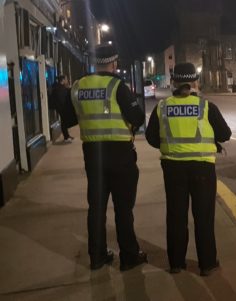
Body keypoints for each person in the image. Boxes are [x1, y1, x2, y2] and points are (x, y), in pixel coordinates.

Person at [145, 62, 231, 276]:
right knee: (203, 216)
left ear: (173, 82)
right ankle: (207, 264)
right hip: (202, 168)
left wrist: (170, 147)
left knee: (175, 215)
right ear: (195, 82)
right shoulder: (206, 106)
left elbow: (151, 137)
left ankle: (176, 263)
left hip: (173, 167)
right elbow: (225, 134)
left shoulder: (163, 107)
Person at [68, 44, 147, 271]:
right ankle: (129, 256)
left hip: (92, 155)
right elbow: (138, 117)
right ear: (114, 64)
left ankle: (97, 256)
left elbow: (70, 116)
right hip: (120, 154)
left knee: (96, 207)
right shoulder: (117, 86)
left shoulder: (78, 86)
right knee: (123, 209)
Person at [49, 75, 74, 142]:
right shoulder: (59, 89)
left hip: (61, 107)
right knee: (64, 121)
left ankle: (67, 136)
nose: (67, 80)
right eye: (66, 79)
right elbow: (62, 99)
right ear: (63, 80)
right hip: (61, 108)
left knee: (64, 121)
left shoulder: (60, 87)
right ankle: (66, 137)